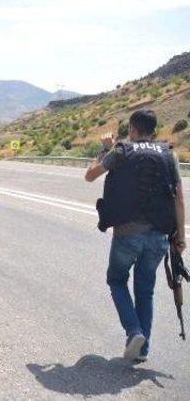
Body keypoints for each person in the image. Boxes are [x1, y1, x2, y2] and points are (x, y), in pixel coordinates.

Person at [85, 109, 185, 362]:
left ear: (132, 129)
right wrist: (180, 236)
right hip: (159, 235)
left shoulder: (121, 150)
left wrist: (105, 149)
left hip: (128, 233)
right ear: (154, 130)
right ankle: (142, 351)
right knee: (145, 291)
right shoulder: (168, 154)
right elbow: (179, 199)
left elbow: (90, 175)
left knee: (116, 281)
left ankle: (134, 331)